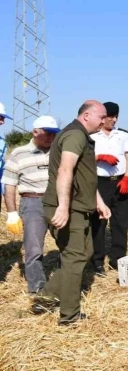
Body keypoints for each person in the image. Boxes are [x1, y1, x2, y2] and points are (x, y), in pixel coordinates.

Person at [33, 100, 111, 325]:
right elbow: (65, 170)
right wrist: (63, 207)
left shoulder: (80, 136)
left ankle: (46, 298)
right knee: (74, 258)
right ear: (87, 115)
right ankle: (69, 316)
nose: (104, 121)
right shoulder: (75, 136)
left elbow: (83, 176)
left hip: (79, 207)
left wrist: (99, 202)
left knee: (83, 253)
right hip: (71, 208)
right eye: (102, 116)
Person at [2, 115, 60, 294]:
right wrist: (11, 213)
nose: (51, 137)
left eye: (54, 133)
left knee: (67, 244)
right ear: (35, 132)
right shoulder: (18, 153)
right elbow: (9, 183)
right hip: (32, 202)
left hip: (57, 202)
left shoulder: (58, 152)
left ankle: (62, 282)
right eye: (47, 133)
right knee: (33, 248)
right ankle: (37, 289)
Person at [89, 101, 128, 276]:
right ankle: (97, 261)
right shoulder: (92, 137)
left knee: (121, 222)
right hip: (100, 183)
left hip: (120, 182)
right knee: (98, 223)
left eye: (116, 116)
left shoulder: (123, 136)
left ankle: (118, 259)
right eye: (110, 116)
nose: (114, 120)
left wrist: (127, 178)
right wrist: (99, 157)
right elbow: (85, 160)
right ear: (102, 117)